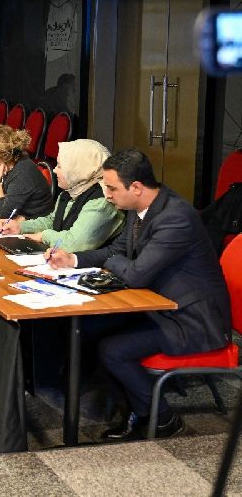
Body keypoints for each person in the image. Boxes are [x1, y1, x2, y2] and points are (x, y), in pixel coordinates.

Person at [47, 149, 231, 441]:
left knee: (113, 350)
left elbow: (135, 275)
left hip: (194, 319)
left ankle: (163, 419)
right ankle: (134, 408)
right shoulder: (139, 209)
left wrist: (113, 262)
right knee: (89, 329)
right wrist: (73, 259)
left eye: (111, 188)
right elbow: (116, 252)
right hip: (161, 306)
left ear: (136, 187)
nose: (107, 195)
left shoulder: (175, 217)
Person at [0, 139, 123, 251]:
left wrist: (44, 236)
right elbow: (53, 221)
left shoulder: (102, 200)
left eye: (60, 166)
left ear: (78, 169)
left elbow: (74, 243)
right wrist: (20, 227)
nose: (54, 170)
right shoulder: (71, 190)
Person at [0, 124, 54, 218]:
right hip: (15, 223)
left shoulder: (23, 171)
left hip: (35, 224)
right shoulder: (2, 167)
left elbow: (4, 214)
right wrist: (0, 208)